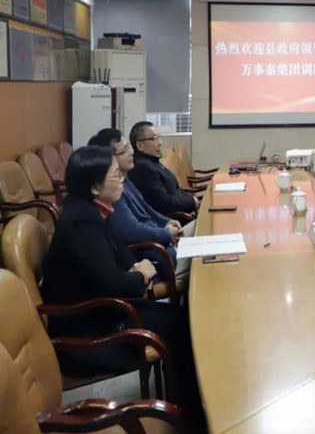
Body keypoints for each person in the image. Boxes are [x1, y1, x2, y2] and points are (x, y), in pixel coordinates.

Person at [40, 146, 206, 429]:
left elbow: (123, 260)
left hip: (107, 310)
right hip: (89, 331)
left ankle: (186, 404)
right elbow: (115, 282)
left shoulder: (94, 211)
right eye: (116, 176)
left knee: (185, 321)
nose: (122, 181)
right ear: (95, 187)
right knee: (184, 329)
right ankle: (193, 419)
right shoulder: (82, 222)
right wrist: (140, 275)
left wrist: (136, 271)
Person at [88, 128, 193, 280]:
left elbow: (147, 209)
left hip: (161, 242)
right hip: (156, 253)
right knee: (205, 255)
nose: (131, 153)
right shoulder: (113, 192)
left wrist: (166, 222)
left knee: (203, 231)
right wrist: (166, 233)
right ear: (109, 159)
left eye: (129, 147)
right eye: (125, 151)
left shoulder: (124, 181)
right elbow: (131, 231)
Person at [128, 121, 198, 216]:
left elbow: (173, 191)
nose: (160, 143)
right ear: (140, 145)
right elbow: (165, 203)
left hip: (183, 211)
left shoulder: (152, 162)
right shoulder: (143, 169)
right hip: (174, 220)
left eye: (159, 138)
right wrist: (192, 201)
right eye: (154, 139)